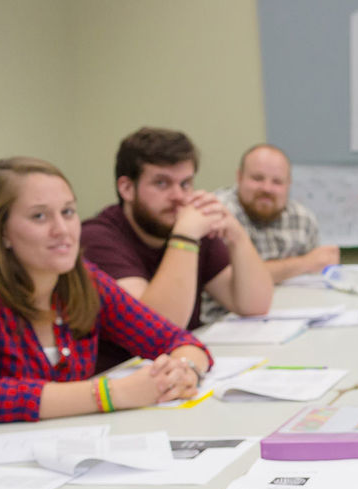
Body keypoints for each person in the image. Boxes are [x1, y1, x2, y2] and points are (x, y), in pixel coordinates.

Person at [0, 158, 212, 436]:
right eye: (39, 216)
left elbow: (177, 339)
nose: (62, 229)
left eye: (68, 212)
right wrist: (110, 394)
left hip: (63, 451)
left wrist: (184, 372)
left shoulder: (84, 279)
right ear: (2, 231)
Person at [81, 127, 271, 367]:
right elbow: (156, 328)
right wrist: (185, 237)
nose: (179, 196)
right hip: (124, 377)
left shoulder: (187, 225)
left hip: (183, 369)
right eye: (162, 183)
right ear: (127, 188)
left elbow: (254, 305)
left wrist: (236, 235)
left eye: (186, 183)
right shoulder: (97, 238)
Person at [214, 143, 340, 283]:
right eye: (257, 178)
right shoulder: (217, 214)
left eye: (277, 182)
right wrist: (305, 263)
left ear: (288, 184)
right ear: (239, 177)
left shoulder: (303, 220)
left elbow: (317, 274)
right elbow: (232, 279)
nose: (267, 188)